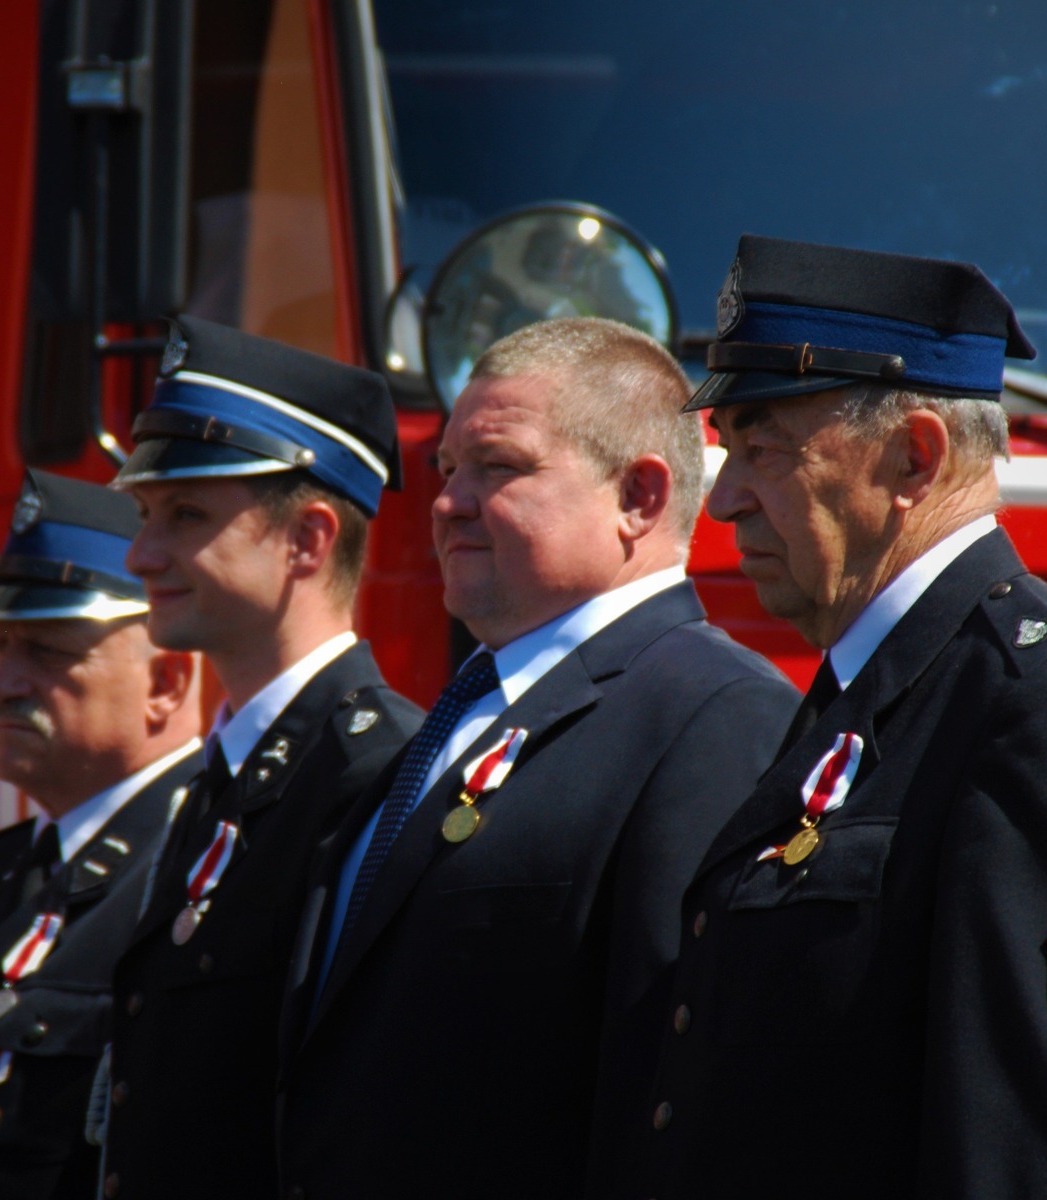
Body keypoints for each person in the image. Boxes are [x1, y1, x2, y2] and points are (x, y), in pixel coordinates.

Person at [628, 236, 1047, 1198]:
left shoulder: (1041, 698)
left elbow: (1039, 1155)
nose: (726, 503)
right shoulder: (876, 684)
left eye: (762, 449)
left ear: (914, 457)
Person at [276, 317, 800, 1198]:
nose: (447, 503)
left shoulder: (714, 718)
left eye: (499, 467)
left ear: (638, 496)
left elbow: (677, 1094)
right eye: (447, 470)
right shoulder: (453, 719)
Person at [95, 317, 423, 1198]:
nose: (139, 555)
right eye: (144, 516)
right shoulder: (222, 785)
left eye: (187, 516)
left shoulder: (383, 776)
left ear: (308, 540)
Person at [0, 469, 204, 1200]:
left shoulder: (198, 866)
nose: (4, 682)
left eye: (48, 652)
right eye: (1, 647)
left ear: (166, 685)